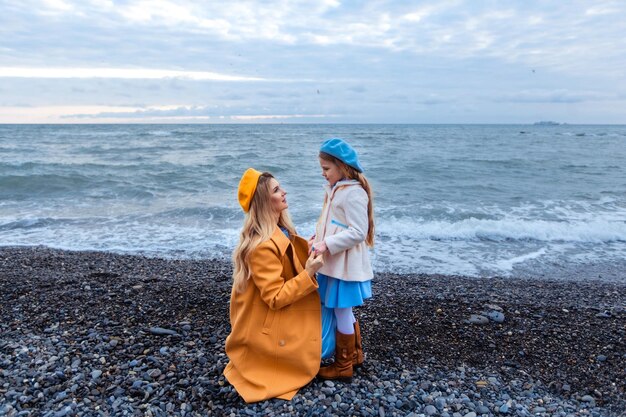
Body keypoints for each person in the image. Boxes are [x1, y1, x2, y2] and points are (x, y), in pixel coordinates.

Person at [224, 168, 325, 402]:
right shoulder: (261, 246)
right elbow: (275, 297)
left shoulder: (280, 230)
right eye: (277, 190)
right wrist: (309, 272)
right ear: (263, 201)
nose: (284, 192)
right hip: (266, 327)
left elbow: (286, 261)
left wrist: (305, 247)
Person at [311, 138, 375, 382]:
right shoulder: (337, 190)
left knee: (341, 310)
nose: (323, 174)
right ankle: (355, 355)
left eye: (326, 169)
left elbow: (358, 232)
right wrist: (316, 238)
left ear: (342, 166)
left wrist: (327, 243)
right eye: (322, 169)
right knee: (342, 311)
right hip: (336, 263)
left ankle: (342, 365)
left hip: (344, 266)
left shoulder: (353, 193)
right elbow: (332, 224)